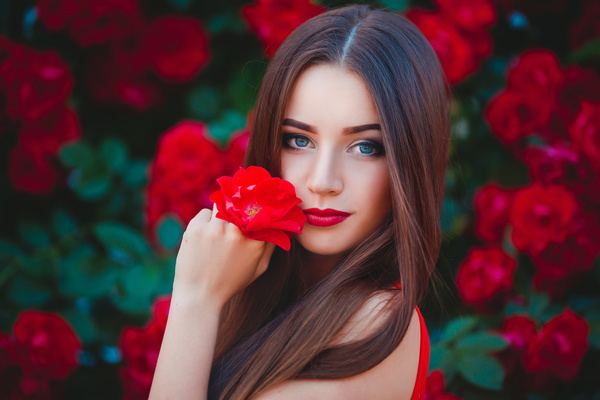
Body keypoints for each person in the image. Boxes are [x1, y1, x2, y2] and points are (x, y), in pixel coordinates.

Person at [150, 3, 449, 399]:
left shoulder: (378, 319)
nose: (323, 181)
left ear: (410, 159)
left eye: (365, 147)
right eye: (299, 140)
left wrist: (196, 300)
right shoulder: (251, 292)